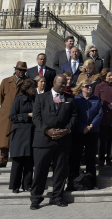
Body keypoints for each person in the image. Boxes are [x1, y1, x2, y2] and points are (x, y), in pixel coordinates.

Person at [30, 74, 77, 210]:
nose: (64, 86)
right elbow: (36, 118)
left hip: (62, 141)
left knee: (60, 171)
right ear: (54, 82)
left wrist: (66, 130)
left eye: (65, 84)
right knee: (40, 171)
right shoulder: (41, 97)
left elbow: (74, 117)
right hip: (43, 141)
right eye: (61, 84)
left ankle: (57, 197)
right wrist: (47, 130)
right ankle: (36, 198)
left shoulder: (69, 99)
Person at [67, 78, 103, 190]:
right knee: (76, 157)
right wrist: (83, 126)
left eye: (90, 86)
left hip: (92, 131)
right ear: (81, 88)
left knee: (90, 157)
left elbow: (99, 114)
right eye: (86, 86)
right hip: (79, 132)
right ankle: (73, 182)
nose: (89, 88)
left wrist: (91, 125)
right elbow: (74, 115)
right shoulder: (76, 99)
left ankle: (92, 182)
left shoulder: (96, 99)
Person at [0, 61, 27, 170]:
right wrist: (6, 107)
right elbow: (1, 97)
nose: (22, 72)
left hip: (20, 113)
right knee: (4, 137)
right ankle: (2, 160)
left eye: (24, 70)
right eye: (20, 70)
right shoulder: (5, 81)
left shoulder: (27, 82)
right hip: (7, 112)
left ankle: (17, 160)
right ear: (15, 70)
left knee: (18, 137)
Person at [8, 78, 37, 193]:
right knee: (18, 161)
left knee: (29, 160)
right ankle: (15, 186)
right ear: (27, 89)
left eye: (35, 87)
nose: (34, 89)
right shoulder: (19, 99)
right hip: (20, 134)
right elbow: (12, 116)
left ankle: (27, 184)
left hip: (32, 133)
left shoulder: (37, 99)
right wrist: (28, 115)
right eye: (32, 87)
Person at [94, 68, 112, 167]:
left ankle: (110, 158)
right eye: (109, 76)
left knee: (111, 140)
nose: (111, 77)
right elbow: (96, 101)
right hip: (103, 117)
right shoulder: (99, 87)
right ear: (104, 76)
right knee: (102, 140)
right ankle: (101, 159)